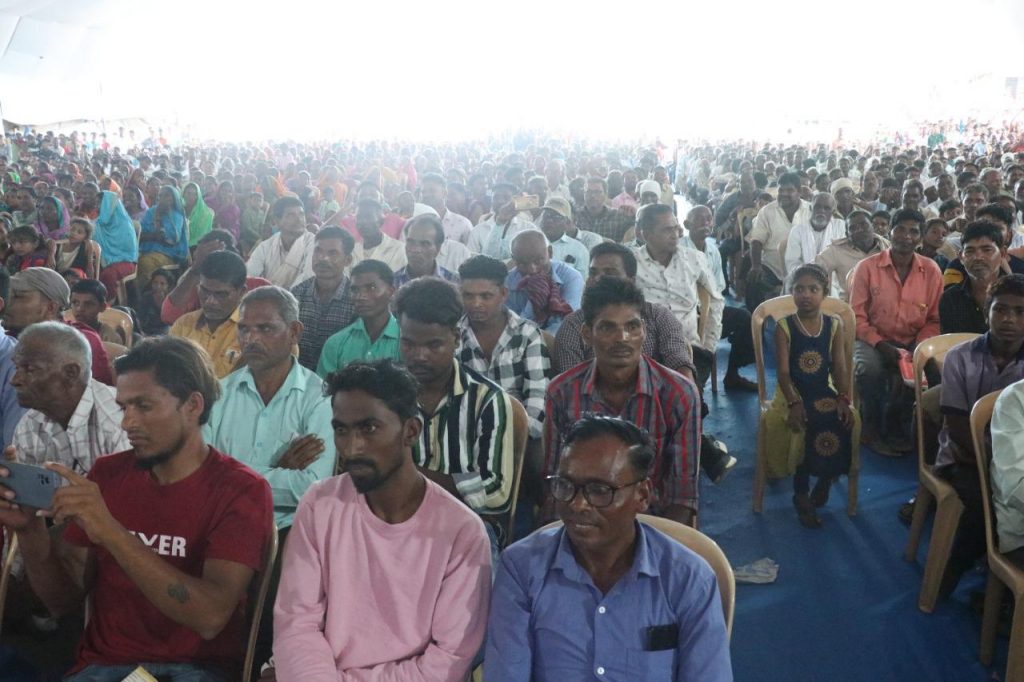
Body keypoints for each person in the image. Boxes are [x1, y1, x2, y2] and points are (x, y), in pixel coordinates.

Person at [0, 336, 273, 681]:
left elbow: (209, 618)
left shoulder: (241, 490)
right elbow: (61, 602)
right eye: (123, 407)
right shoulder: (109, 474)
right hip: (106, 665)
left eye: (143, 406)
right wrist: (29, 532)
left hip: (197, 668)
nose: (127, 423)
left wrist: (112, 532)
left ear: (193, 405)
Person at [271, 360, 491, 681]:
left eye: (369, 428)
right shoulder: (319, 504)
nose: (351, 448)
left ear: (410, 431)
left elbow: (447, 661)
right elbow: (296, 623)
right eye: (341, 430)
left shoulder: (462, 532)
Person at [486, 416, 733, 682]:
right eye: (565, 485)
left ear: (642, 495)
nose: (578, 504)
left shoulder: (689, 579)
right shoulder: (521, 569)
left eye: (599, 490)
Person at [544, 278, 704, 526]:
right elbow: (557, 484)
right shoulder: (561, 392)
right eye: (607, 328)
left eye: (632, 326)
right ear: (587, 334)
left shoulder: (678, 394)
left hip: (652, 521)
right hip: (582, 518)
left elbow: (682, 498)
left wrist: (651, 544)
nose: (622, 338)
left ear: (644, 331)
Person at [394, 277, 515, 530]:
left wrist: (405, 477)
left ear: (457, 338)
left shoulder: (486, 399)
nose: (419, 356)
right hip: (394, 518)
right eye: (408, 343)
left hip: (464, 524)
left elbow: (496, 491)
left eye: (433, 345)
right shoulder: (384, 396)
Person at [933, 275, 1024, 594]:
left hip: (1016, 461)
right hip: (965, 456)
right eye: (1001, 310)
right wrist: (995, 468)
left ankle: (1001, 589)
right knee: (983, 507)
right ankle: (948, 575)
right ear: (987, 312)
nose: (1009, 319)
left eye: (1020, 312)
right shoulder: (960, 357)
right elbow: (957, 427)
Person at [761, 264, 857, 528]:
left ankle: (826, 478)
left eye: (813, 289)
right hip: (792, 391)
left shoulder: (833, 325)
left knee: (840, 419)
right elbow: (783, 373)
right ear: (792, 292)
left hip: (823, 388)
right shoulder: (784, 326)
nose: (806, 295)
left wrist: (844, 398)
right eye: (799, 289)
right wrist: (794, 402)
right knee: (808, 421)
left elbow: (839, 367)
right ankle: (801, 492)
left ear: (824, 293)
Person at [850, 208, 942, 454]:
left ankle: (906, 426)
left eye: (914, 231)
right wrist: (881, 345)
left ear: (921, 237)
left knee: (934, 370)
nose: (906, 236)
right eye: (900, 229)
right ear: (889, 232)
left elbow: (934, 319)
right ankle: (871, 427)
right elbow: (856, 318)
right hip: (872, 339)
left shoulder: (931, 270)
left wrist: (918, 347)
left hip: (914, 340)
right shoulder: (867, 268)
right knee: (870, 370)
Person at [554, 242, 696, 379]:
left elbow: (680, 366)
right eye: (593, 273)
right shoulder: (574, 325)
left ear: (631, 281)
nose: (598, 279)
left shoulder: (658, 316)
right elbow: (570, 382)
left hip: (659, 394)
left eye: (609, 273)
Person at [10, 321, 127, 470]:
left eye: (30, 369)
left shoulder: (118, 423)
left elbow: (130, 486)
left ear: (71, 373)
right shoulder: (30, 423)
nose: (14, 380)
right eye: (17, 367)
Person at [633, 204, 727, 387]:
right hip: (647, 350)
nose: (675, 234)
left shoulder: (694, 259)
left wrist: (709, 345)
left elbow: (716, 300)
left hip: (690, 348)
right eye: (667, 230)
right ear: (647, 234)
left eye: (676, 228)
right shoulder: (632, 263)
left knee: (688, 397)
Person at [457, 255, 550, 440]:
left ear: (504, 294)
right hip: (464, 436)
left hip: (518, 436)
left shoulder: (527, 334)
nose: (476, 303)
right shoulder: (454, 334)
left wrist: (516, 440)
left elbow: (537, 398)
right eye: (468, 296)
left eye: (486, 296)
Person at [679, 204, 758, 391]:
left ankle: (732, 374)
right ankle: (691, 386)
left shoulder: (713, 251)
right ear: (687, 224)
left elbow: (719, 286)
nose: (706, 223)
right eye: (699, 219)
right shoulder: (678, 249)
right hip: (684, 312)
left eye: (709, 219)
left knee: (745, 318)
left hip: (708, 309)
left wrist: (710, 307)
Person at [4, 267, 113, 385]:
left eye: (17, 296)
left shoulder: (80, 343)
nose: (6, 302)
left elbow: (97, 394)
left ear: (50, 307)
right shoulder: (8, 339)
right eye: (7, 295)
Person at [169, 250, 247, 378]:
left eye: (221, 294)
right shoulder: (183, 325)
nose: (210, 301)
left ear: (242, 292)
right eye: (204, 291)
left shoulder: (251, 333)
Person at [316, 259, 399, 377]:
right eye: (355, 290)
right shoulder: (336, 344)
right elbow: (323, 388)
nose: (361, 296)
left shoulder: (406, 341)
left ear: (391, 292)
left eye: (371, 288)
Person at [288, 226, 356, 370]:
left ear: (348, 260)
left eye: (333, 253)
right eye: (318, 251)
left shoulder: (356, 300)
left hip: (339, 379)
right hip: (298, 377)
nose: (322, 258)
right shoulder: (297, 294)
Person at [746, 172, 811, 312]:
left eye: (790, 190)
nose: (784, 194)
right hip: (773, 268)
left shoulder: (810, 210)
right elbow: (756, 240)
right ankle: (755, 320)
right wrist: (756, 266)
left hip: (803, 268)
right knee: (753, 280)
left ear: (799, 192)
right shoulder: (767, 211)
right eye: (781, 190)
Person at [505, 230, 584, 334]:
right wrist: (535, 297)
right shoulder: (508, 281)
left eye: (538, 261)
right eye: (523, 264)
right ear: (514, 260)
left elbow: (565, 325)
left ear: (550, 252)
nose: (532, 270)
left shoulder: (571, 277)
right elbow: (510, 326)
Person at [940, 221, 1005, 334]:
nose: (978, 257)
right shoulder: (951, 298)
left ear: (1003, 253)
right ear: (961, 257)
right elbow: (950, 341)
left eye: (987, 250)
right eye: (970, 251)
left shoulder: (1019, 293)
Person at [814, 210, 889, 301]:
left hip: (883, 305)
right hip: (849, 306)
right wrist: (826, 303)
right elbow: (814, 270)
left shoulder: (887, 247)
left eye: (863, 225)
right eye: (853, 228)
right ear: (847, 234)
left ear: (872, 226)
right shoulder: (836, 251)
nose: (859, 230)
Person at [246, 196, 317, 289]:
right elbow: (250, 275)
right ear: (276, 221)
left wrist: (282, 296)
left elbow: (309, 278)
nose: (299, 219)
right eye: (291, 215)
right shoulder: (265, 247)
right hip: (266, 296)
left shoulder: (314, 243)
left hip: (297, 297)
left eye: (301, 214)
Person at [90, 187, 139, 301]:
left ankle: (105, 302)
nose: (97, 207)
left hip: (125, 261)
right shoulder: (97, 224)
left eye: (100, 203)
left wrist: (107, 259)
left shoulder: (125, 226)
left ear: (109, 205)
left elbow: (127, 251)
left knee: (108, 275)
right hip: (103, 260)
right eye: (96, 203)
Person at [137, 184, 189, 285]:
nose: (163, 198)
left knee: (145, 263)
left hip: (168, 253)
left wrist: (159, 216)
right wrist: (154, 235)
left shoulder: (177, 215)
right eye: (160, 195)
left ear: (174, 199)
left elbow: (169, 240)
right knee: (130, 261)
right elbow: (141, 233)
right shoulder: (151, 211)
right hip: (145, 249)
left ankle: (142, 291)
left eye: (167, 195)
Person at [783, 192, 846, 273]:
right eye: (817, 207)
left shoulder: (840, 227)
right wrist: (808, 275)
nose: (821, 211)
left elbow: (843, 258)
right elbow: (792, 262)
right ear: (810, 208)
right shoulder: (797, 231)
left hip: (834, 276)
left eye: (826, 208)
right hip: (805, 276)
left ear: (833, 212)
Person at [394, 214, 459, 286]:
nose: (415, 250)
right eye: (411, 242)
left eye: (425, 244)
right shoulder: (393, 283)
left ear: (437, 249)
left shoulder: (453, 283)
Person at [536, 196, 590, 278]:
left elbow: (581, 281)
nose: (549, 220)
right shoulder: (529, 244)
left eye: (556, 217)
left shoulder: (579, 250)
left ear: (567, 223)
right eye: (546, 215)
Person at [348, 198, 407, 272]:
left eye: (368, 217)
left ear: (381, 221)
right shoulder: (352, 251)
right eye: (359, 217)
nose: (363, 222)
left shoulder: (398, 249)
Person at [419, 172, 472, 244]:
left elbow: (470, 250)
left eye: (432, 191)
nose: (426, 195)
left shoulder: (462, 224)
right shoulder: (414, 222)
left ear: (444, 193)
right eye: (423, 192)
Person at [70, 279, 125, 345]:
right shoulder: (66, 332)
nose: (80, 309)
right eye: (75, 302)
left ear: (102, 307)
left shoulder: (110, 338)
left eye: (88, 304)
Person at [137, 267, 176, 336]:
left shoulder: (171, 300)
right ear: (151, 283)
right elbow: (140, 318)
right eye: (155, 282)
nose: (158, 286)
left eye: (162, 284)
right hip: (148, 331)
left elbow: (173, 321)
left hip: (165, 331)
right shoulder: (147, 297)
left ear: (168, 286)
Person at [183, 181, 215, 247]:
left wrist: (184, 246)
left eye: (195, 194)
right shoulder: (179, 209)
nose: (191, 197)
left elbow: (202, 237)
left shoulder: (206, 214)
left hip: (197, 247)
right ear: (183, 194)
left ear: (199, 196)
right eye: (188, 193)